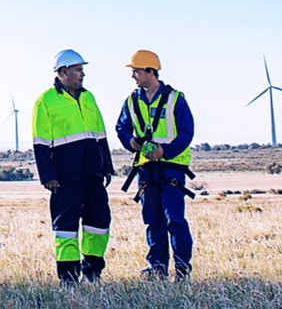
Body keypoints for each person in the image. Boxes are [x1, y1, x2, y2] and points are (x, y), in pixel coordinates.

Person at [32, 49, 116, 284]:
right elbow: (40, 143)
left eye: (82, 69)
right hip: (65, 177)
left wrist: (106, 167)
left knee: (99, 223)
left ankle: (93, 271)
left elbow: (101, 135)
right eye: (78, 69)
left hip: (92, 173)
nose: (83, 74)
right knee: (66, 228)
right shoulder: (45, 101)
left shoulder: (89, 98)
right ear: (62, 72)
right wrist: (48, 176)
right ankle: (68, 278)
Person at [115, 50, 196, 281]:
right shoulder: (131, 101)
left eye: (136, 71)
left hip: (171, 169)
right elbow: (121, 128)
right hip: (146, 171)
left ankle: (182, 270)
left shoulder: (176, 99)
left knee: (175, 221)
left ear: (150, 72)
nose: (133, 77)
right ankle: (157, 269)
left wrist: (164, 151)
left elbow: (186, 131)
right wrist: (131, 143)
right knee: (152, 221)